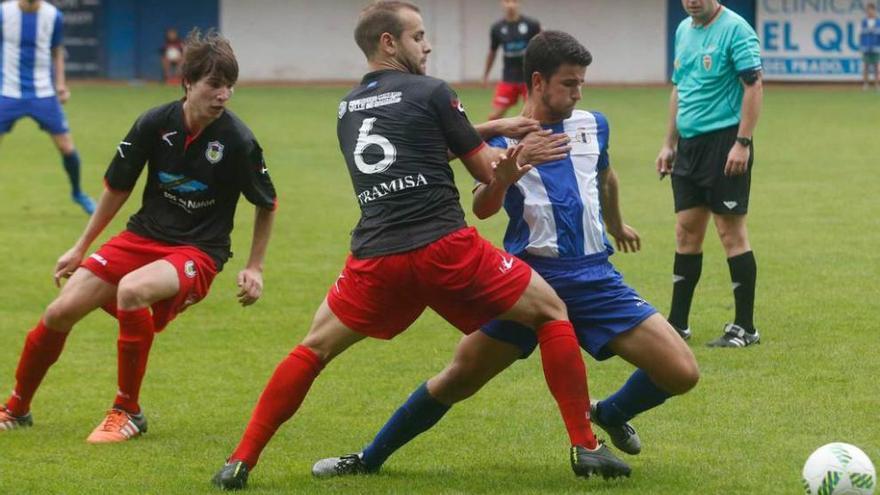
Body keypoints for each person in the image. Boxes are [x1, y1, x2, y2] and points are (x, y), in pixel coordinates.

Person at [212, 2, 629, 490]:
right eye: (418, 36)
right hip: (445, 248)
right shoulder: (434, 91)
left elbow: (415, 140)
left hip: (375, 256)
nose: (427, 45)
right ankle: (585, 446)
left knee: (313, 348)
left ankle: (240, 460)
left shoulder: (347, 107)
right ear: (388, 43)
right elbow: (484, 172)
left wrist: (493, 127)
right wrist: (517, 157)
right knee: (552, 313)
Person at [310, 30, 699, 480]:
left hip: (595, 277)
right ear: (537, 82)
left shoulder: (595, 124)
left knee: (681, 372)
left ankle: (609, 413)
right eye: (569, 84)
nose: (578, 93)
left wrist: (615, 224)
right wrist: (508, 173)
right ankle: (367, 459)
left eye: (581, 84)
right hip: (529, 283)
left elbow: (605, 177)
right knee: (457, 379)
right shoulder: (501, 141)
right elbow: (482, 207)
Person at [0, 30, 277, 443]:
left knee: (132, 290)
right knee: (60, 311)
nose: (224, 95)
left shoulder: (237, 140)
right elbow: (117, 187)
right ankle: (16, 408)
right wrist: (80, 248)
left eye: (229, 86)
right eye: (214, 85)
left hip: (198, 250)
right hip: (143, 235)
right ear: (188, 83)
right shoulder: (155, 122)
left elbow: (266, 202)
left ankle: (127, 411)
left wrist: (254, 266)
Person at [656, 0, 763, 348]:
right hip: (688, 147)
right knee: (686, 231)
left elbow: (753, 86)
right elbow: (679, 88)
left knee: (730, 232)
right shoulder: (684, 30)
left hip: (725, 143)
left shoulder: (736, 29)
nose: (692, 0)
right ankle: (678, 324)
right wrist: (669, 143)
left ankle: (745, 327)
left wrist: (742, 143)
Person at [0, 0, 95, 214]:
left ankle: (78, 193)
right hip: (7, 92)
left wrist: (60, 84)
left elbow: (57, 51)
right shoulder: (4, 13)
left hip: (43, 93)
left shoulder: (54, 16)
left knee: (66, 147)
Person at [482, 0, 540, 120]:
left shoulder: (532, 24)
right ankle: (488, 139)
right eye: (507, 1)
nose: (510, 5)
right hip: (509, 78)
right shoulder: (497, 28)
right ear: (502, 3)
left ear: (519, 3)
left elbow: (542, 47)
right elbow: (492, 52)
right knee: (494, 117)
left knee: (534, 114)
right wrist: (486, 75)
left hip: (529, 78)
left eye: (514, 1)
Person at [860, 3, 880, 91]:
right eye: (868, 10)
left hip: (876, 47)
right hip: (866, 48)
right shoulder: (864, 22)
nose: (870, 12)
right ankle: (865, 84)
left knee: (876, 67)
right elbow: (861, 35)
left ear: (874, 11)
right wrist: (862, 46)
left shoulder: (878, 22)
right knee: (866, 66)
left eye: (872, 10)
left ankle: (877, 84)